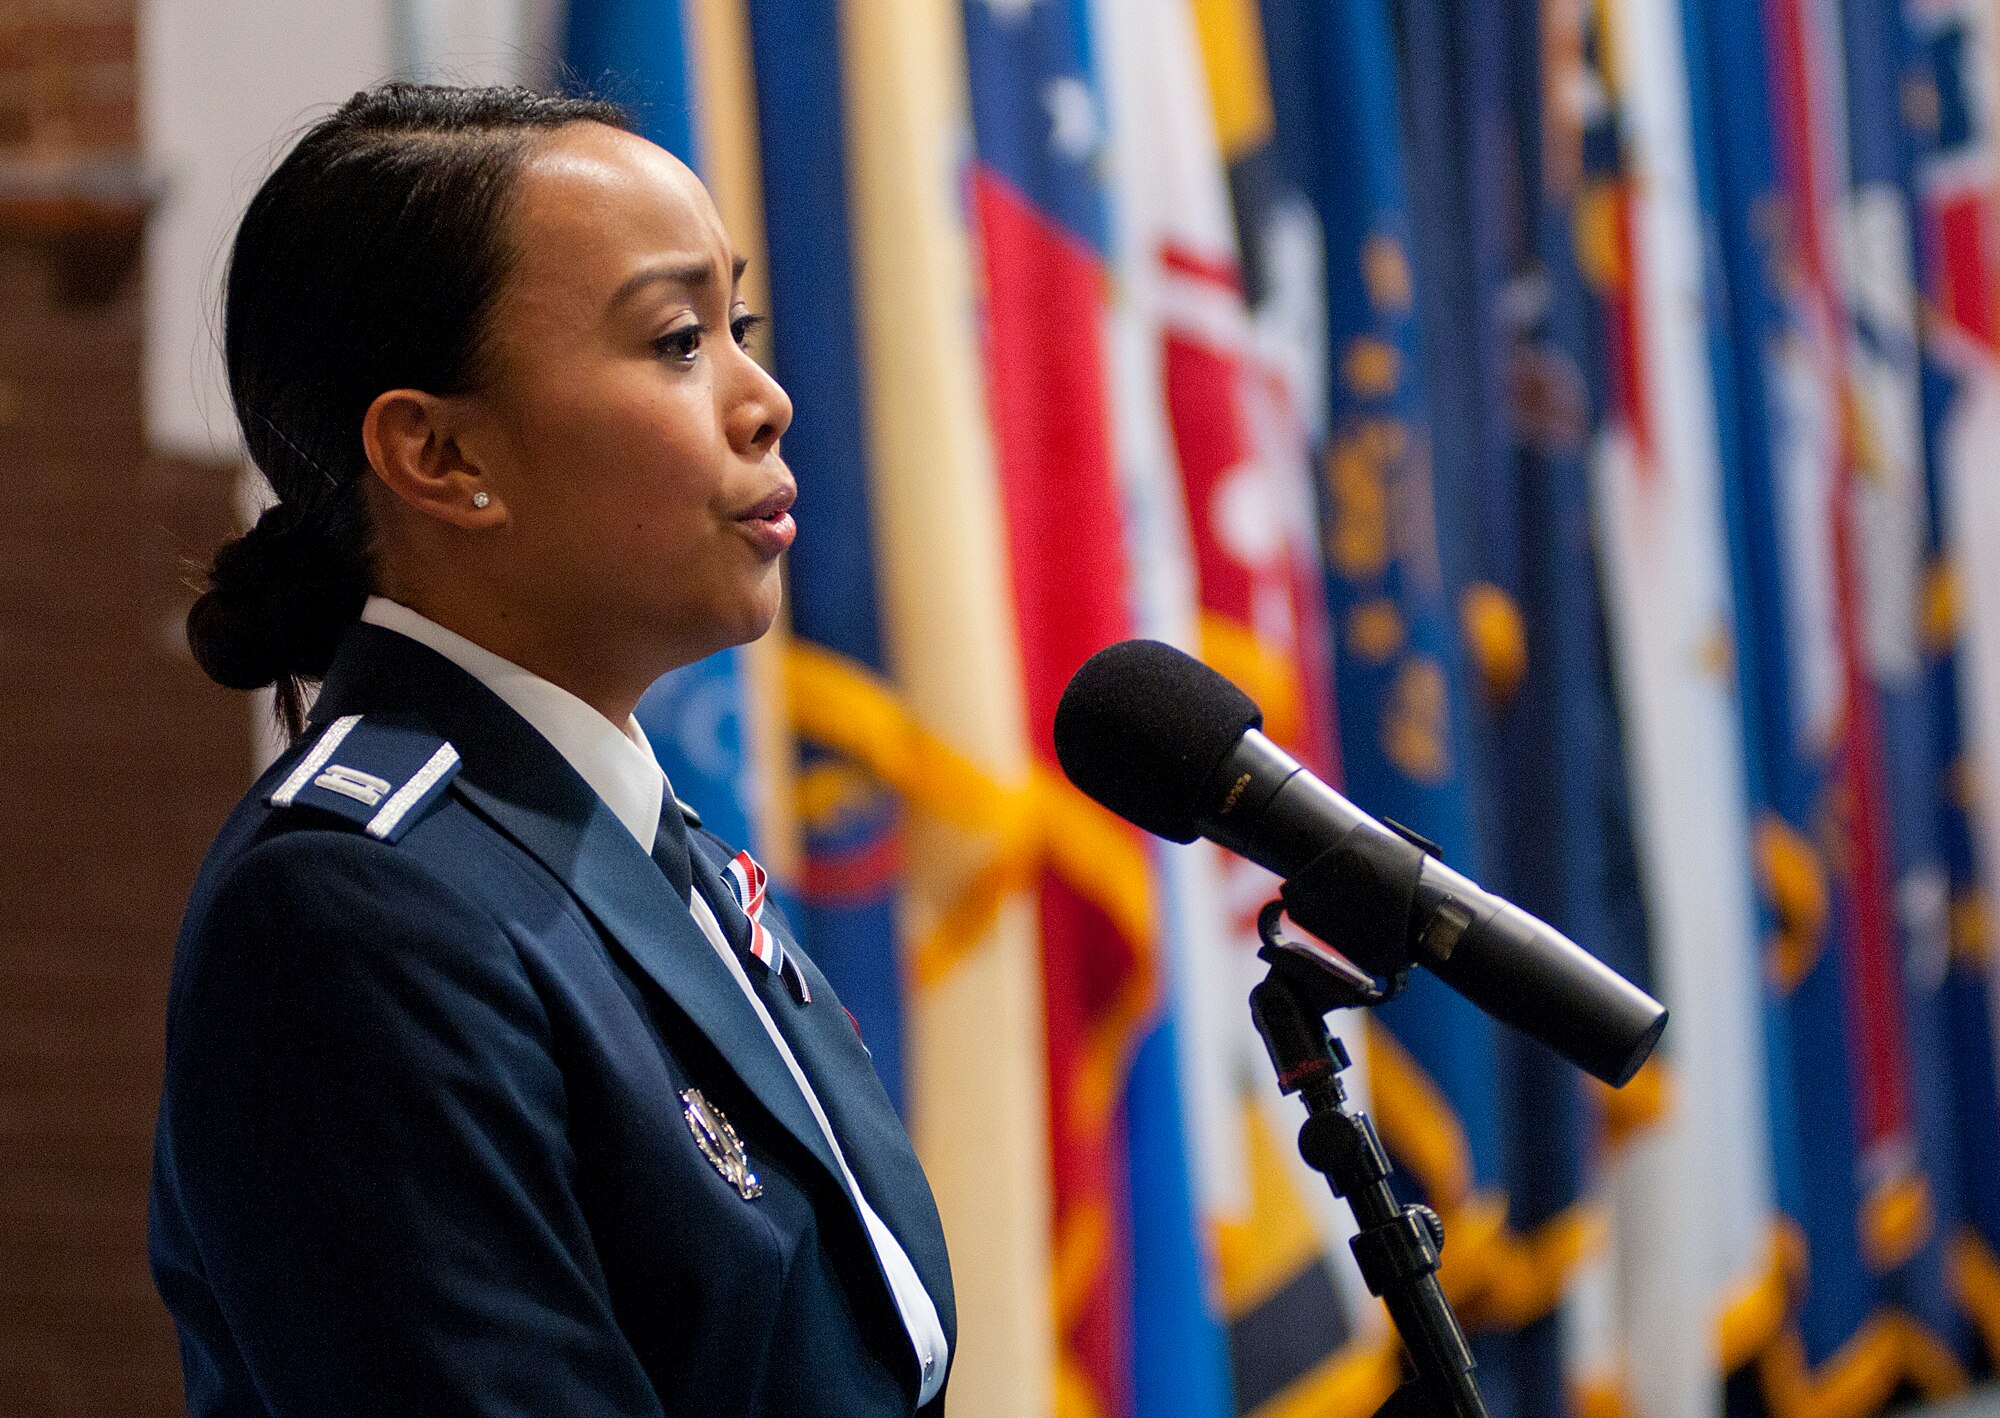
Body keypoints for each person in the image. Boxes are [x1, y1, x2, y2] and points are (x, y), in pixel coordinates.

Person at [148, 84, 953, 1417]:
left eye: (736, 325)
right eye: (681, 339)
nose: (765, 400)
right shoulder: (355, 912)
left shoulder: (631, 848)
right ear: (444, 451)